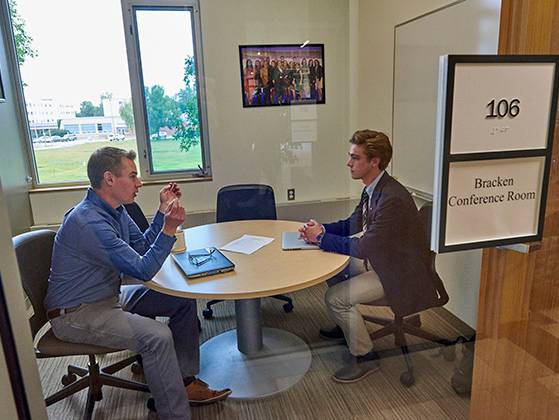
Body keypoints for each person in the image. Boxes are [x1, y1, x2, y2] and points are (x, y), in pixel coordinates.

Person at [44, 147, 231, 420]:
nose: (139, 183)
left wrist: (161, 212)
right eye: (132, 176)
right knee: (158, 337)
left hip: (107, 297)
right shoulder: (89, 222)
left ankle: (183, 381)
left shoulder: (115, 210)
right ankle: (174, 413)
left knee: (182, 299)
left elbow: (142, 245)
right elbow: (143, 269)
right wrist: (168, 229)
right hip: (77, 313)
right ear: (109, 179)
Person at [299, 130, 439, 384]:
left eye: (355, 157)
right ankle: (348, 327)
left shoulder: (392, 198)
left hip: (400, 276)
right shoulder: (374, 189)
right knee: (331, 265)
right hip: (385, 263)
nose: (348, 163)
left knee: (336, 298)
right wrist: (319, 230)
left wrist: (319, 238)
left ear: (374, 161)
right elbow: (351, 225)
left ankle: (365, 358)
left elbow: (364, 247)